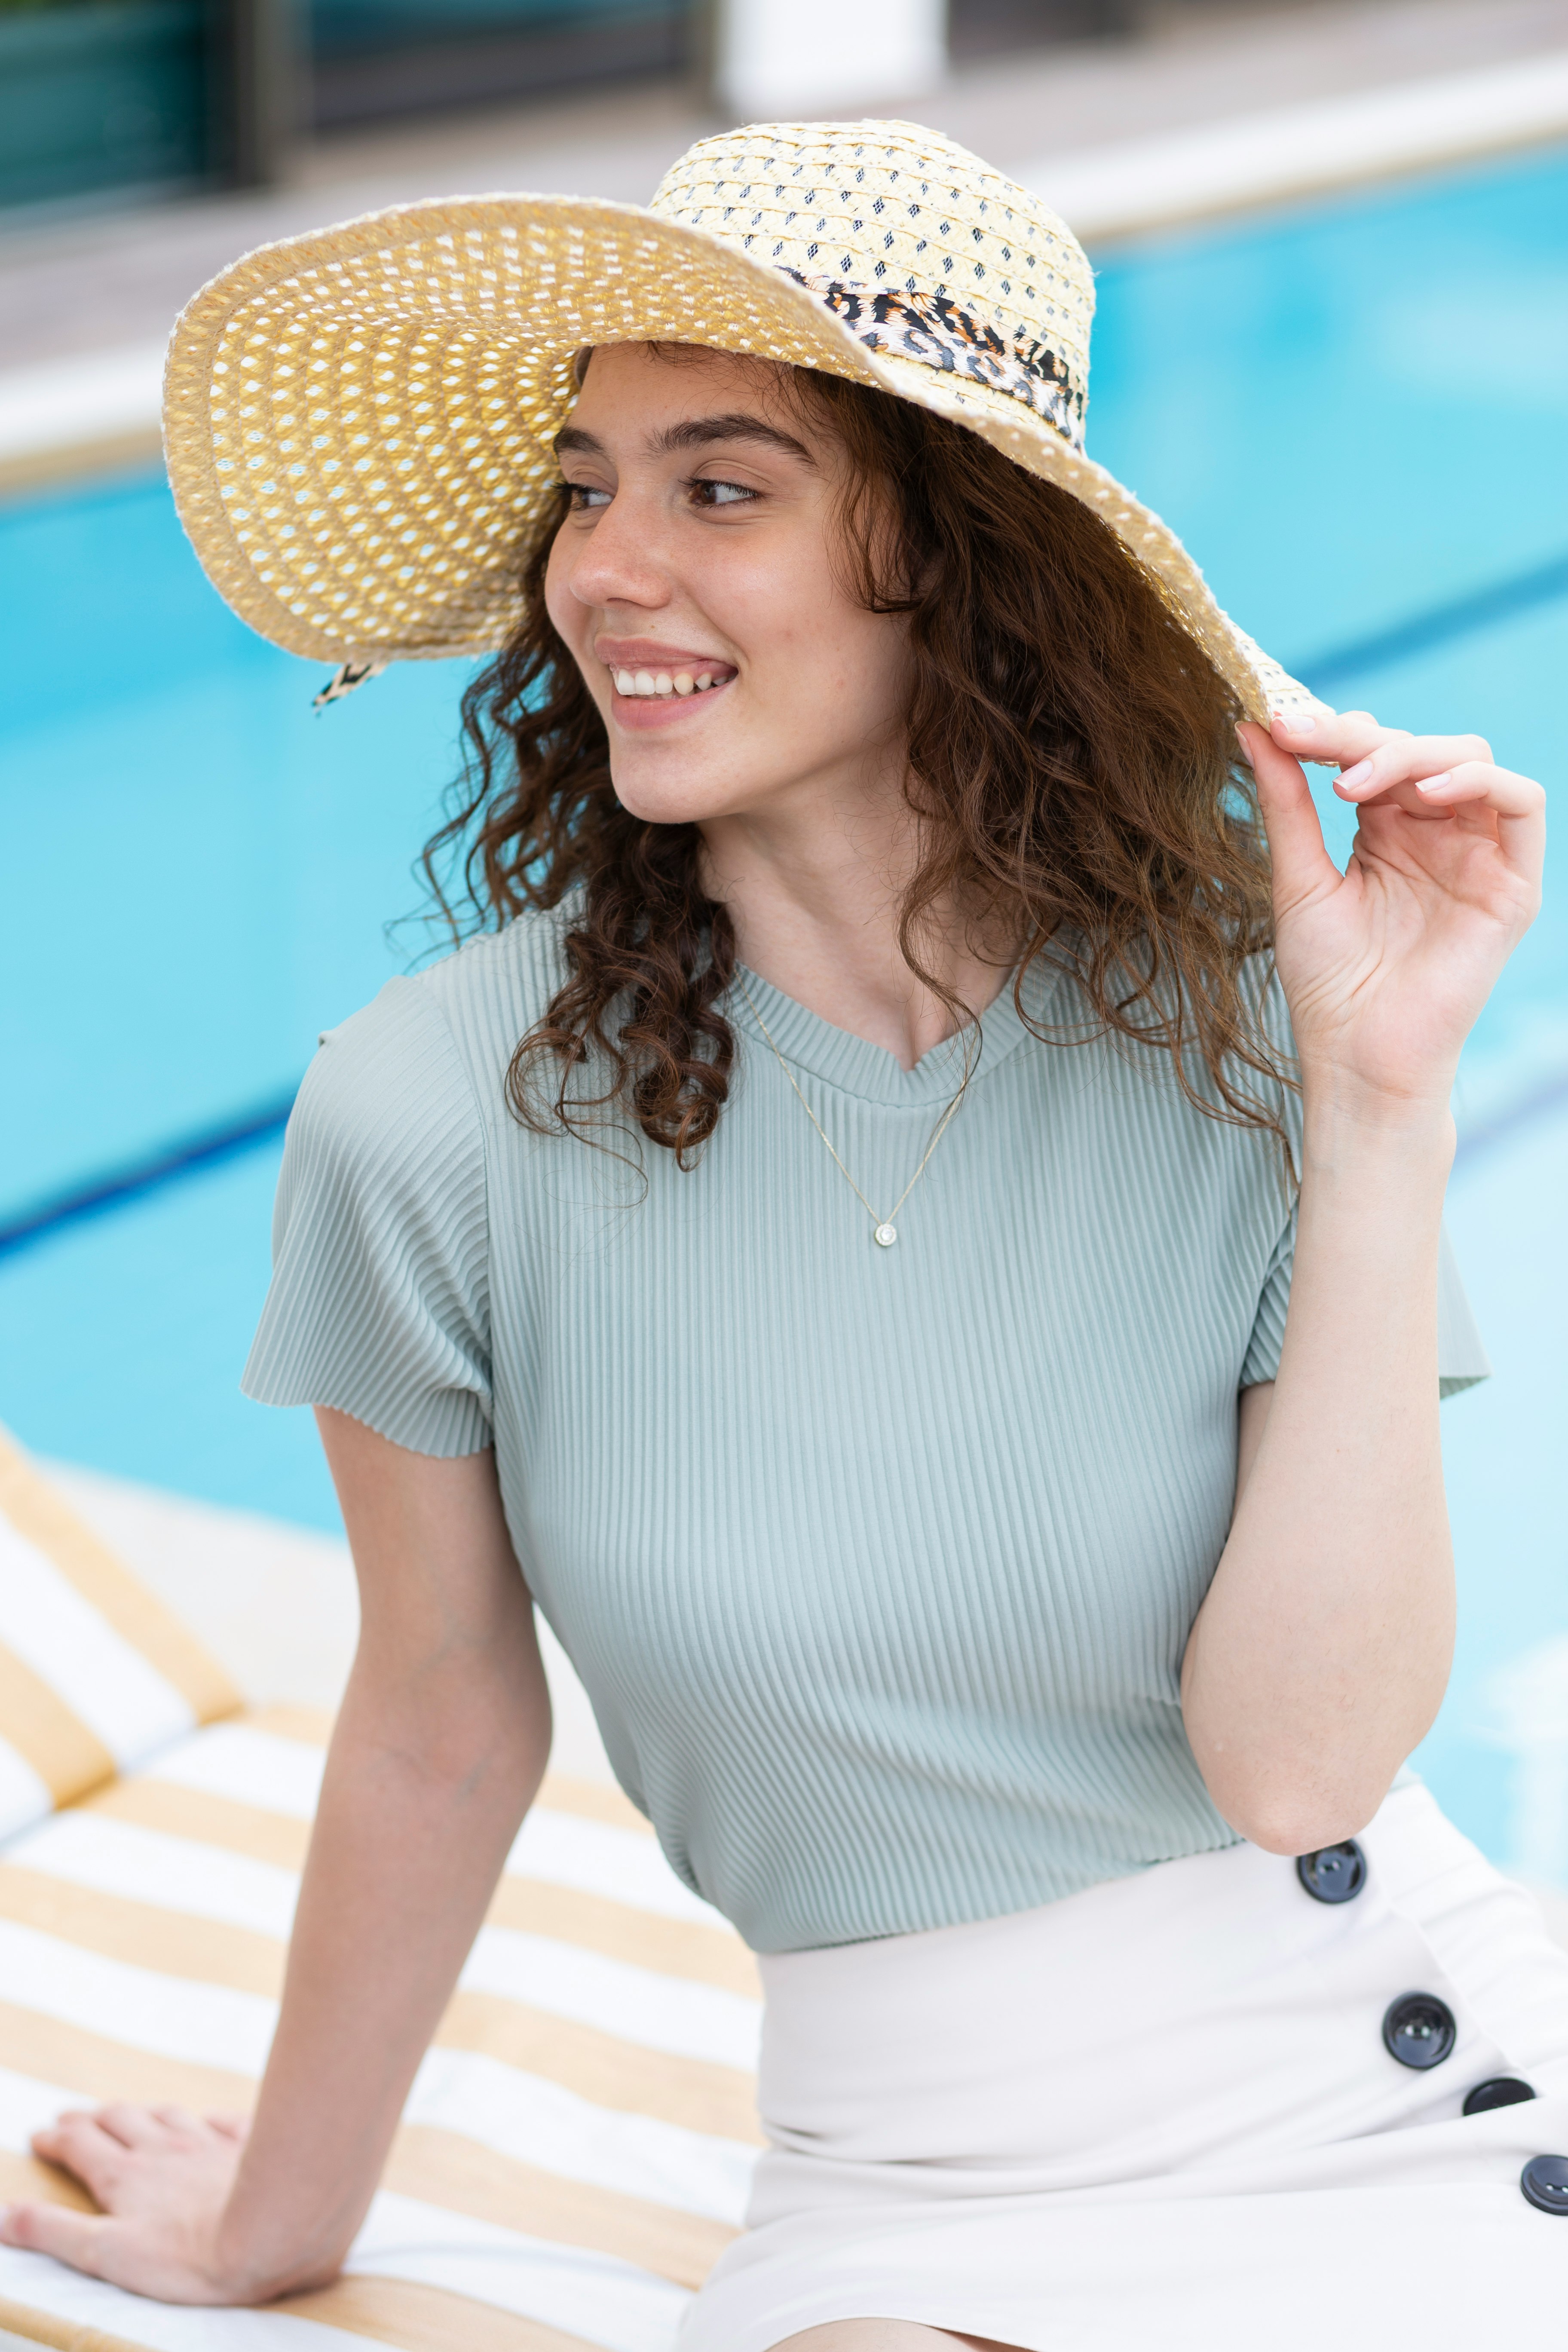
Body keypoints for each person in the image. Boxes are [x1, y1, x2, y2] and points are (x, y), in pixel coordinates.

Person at [5, 120, 1560, 2349]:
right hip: (911, 2188)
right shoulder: (426, 1113)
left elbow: (1301, 1766)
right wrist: (276, 2223)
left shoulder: (1249, 1034)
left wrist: (1385, 1112)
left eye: (719, 489)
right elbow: (443, 1722)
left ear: (957, 557)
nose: (606, 568)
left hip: (1403, 2089)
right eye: (583, 482)